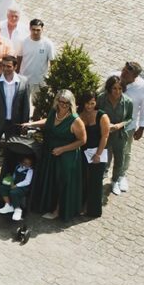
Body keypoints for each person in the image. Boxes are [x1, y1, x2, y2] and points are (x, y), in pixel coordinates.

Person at [24, 89, 85, 221]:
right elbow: (48, 121)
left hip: (65, 157)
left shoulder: (75, 120)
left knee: (61, 183)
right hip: (49, 153)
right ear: (57, 101)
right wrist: (31, 124)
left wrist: (63, 149)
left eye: (66, 103)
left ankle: (58, 210)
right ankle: (45, 205)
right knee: (49, 181)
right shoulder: (54, 112)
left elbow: (82, 140)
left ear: (71, 104)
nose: (63, 105)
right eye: (61, 102)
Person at [0, 55, 31, 184]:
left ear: (15, 67)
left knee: (12, 150)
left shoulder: (24, 82)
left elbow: (25, 105)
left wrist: (25, 124)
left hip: (14, 124)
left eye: (9, 66)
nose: (5, 68)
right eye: (3, 66)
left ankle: (8, 174)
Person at [97, 74, 134, 197]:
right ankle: (100, 178)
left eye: (120, 89)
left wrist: (119, 125)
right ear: (109, 88)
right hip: (103, 134)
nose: (117, 91)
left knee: (119, 159)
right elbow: (95, 112)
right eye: (114, 88)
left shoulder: (127, 102)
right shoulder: (101, 99)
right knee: (102, 157)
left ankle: (115, 181)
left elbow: (129, 118)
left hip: (119, 135)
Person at [120, 60, 144, 194]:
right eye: (124, 70)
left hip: (129, 126)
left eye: (127, 73)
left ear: (135, 76)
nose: (123, 73)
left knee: (125, 152)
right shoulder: (114, 78)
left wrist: (141, 127)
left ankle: (121, 175)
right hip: (109, 123)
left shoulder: (143, 88)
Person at [78, 89, 110, 218]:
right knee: (83, 181)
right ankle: (81, 206)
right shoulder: (80, 114)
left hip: (97, 153)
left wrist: (98, 154)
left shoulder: (102, 116)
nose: (89, 106)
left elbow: (105, 136)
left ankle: (93, 211)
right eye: (87, 103)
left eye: (92, 103)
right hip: (83, 152)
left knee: (95, 183)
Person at [17, 18, 55, 86]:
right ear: (30, 28)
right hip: (24, 80)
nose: (35, 32)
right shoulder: (23, 42)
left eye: (38, 30)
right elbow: (19, 58)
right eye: (33, 29)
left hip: (40, 82)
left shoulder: (48, 44)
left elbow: (53, 62)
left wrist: (53, 78)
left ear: (42, 29)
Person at [0, 154, 34, 222]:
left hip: (23, 187)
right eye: (24, 162)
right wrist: (11, 182)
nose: (25, 164)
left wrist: (16, 185)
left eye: (27, 163)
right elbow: (14, 176)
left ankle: (17, 209)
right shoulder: (17, 167)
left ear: (30, 164)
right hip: (14, 184)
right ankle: (8, 205)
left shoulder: (30, 171)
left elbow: (27, 181)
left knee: (13, 192)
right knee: (3, 187)